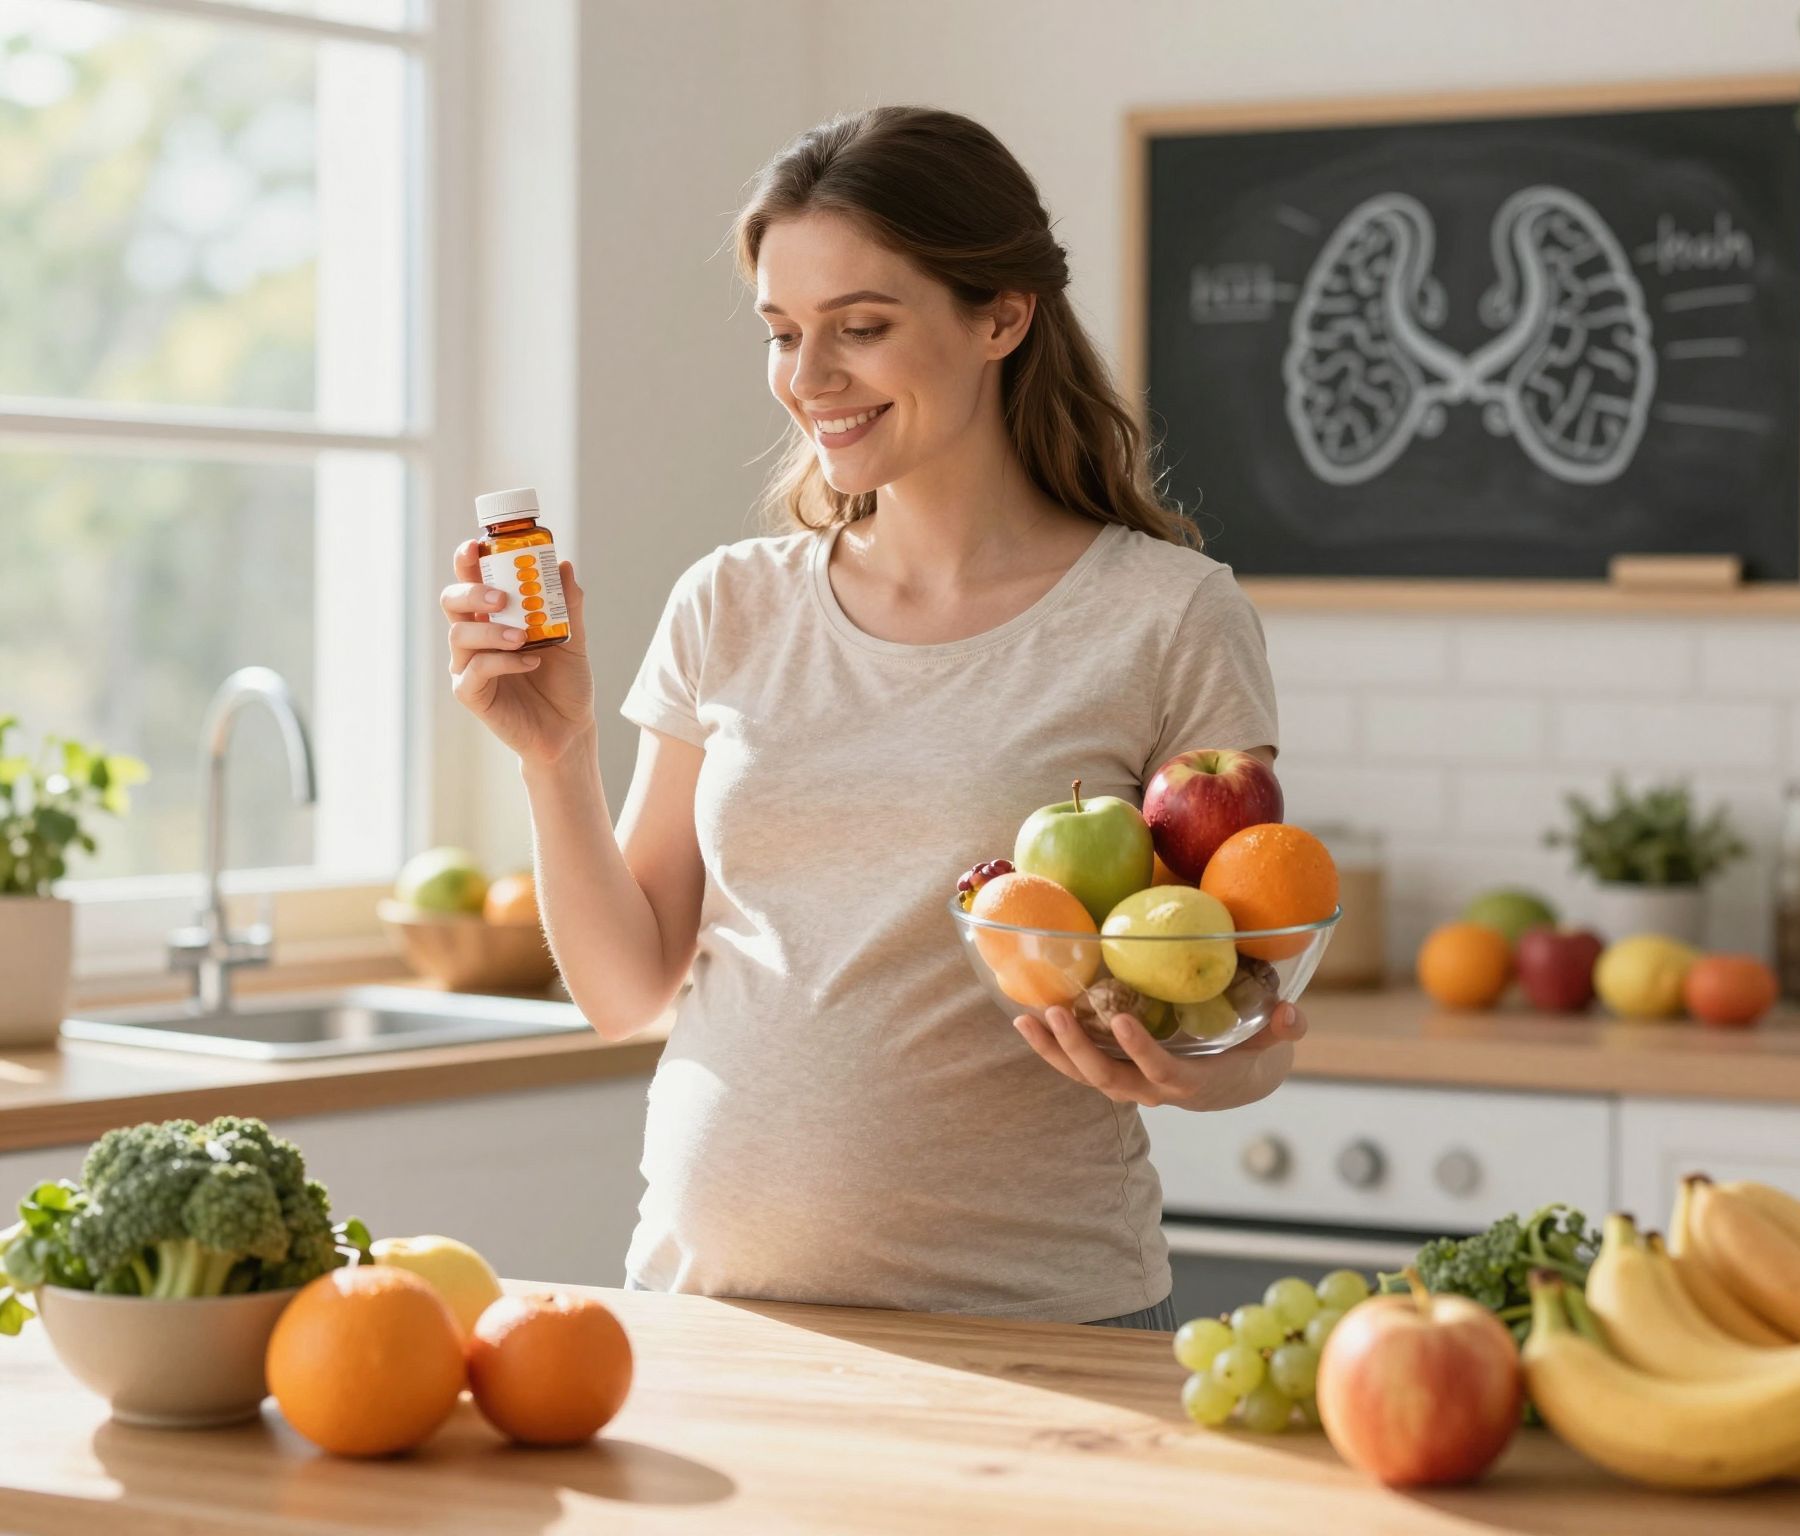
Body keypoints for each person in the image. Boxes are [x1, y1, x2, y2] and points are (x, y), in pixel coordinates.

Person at [441, 106, 1306, 1330]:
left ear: (1000, 315)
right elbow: (627, 989)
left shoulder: (1164, 616)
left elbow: (1238, 1003)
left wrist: (1201, 1073)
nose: (809, 379)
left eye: (860, 328)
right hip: (706, 1305)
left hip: (1032, 1320)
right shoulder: (728, 603)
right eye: (783, 333)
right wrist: (554, 757)